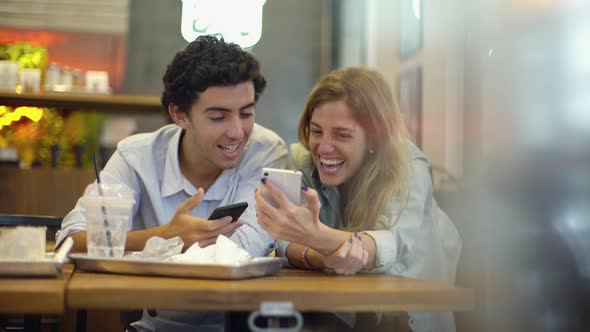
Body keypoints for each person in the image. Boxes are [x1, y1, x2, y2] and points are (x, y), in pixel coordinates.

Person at [56, 35, 288, 332]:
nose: (237, 132)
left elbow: (241, 248)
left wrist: (153, 252)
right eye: (218, 117)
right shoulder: (136, 156)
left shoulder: (266, 152)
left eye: (246, 113)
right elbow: (72, 239)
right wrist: (165, 236)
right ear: (180, 114)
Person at [255, 67, 461, 332]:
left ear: (374, 138)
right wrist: (322, 257)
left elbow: (387, 243)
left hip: (405, 316)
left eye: (342, 135)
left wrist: (316, 238)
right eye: (316, 131)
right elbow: (283, 243)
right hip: (343, 313)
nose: (323, 147)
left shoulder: (407, 164)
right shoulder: (303, 160)